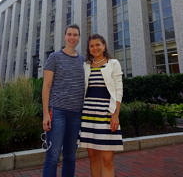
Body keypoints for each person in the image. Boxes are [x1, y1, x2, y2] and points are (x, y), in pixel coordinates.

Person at [42, 24, 85, 177]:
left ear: (79, 38)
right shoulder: (54, 57)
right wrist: (46, 114)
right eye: (69, 34)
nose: (72, 37)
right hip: (57, 112)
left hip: (76, 114)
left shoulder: (83, 61)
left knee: (70, 157)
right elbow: (46, 86)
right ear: (65, 36)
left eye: (75, 35)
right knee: (53, 156)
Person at [79, 34, 123, 177]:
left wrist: (115, 115)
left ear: (104, 46)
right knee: (93, 157)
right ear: (88, 49)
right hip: (88, 116)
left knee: (107, 159)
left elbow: (118, 90)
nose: (95, 48)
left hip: (106, 115)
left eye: (98, 44)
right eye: (92, 46)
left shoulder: (113, 63)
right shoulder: (85, 65)